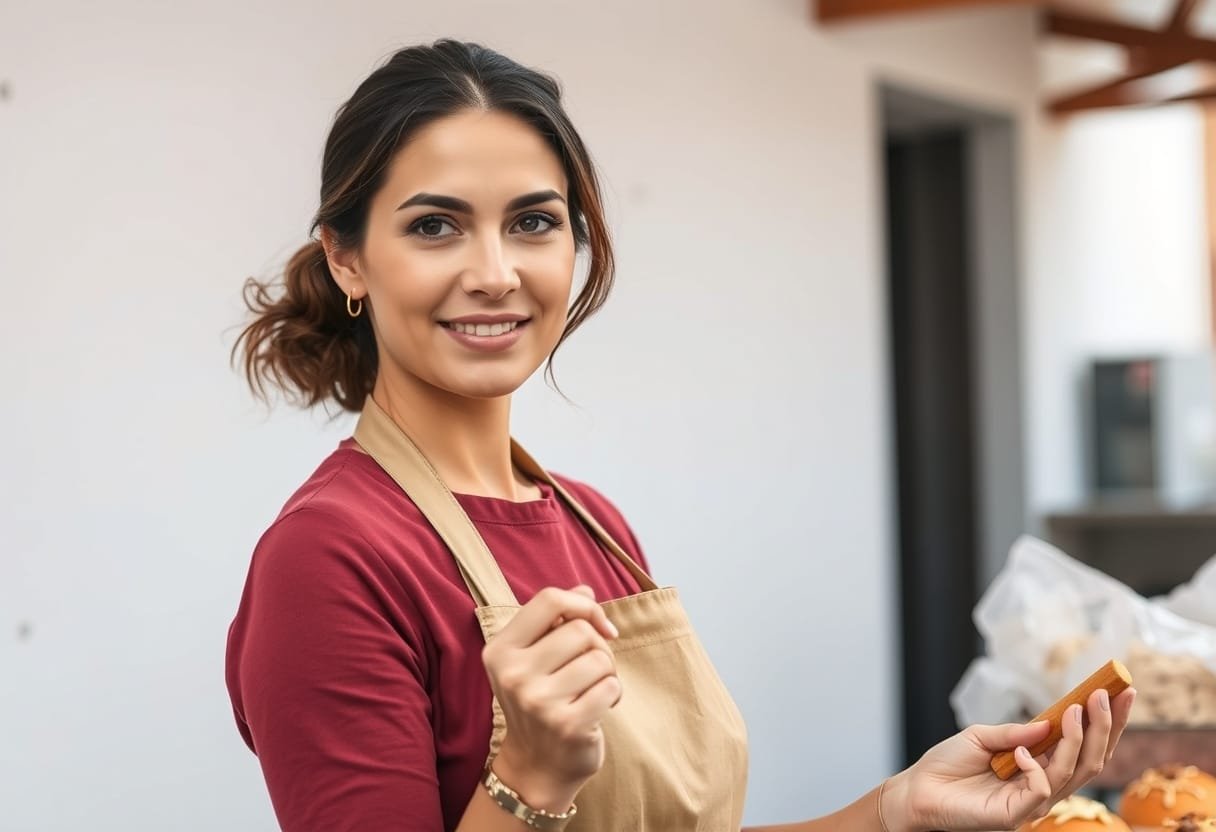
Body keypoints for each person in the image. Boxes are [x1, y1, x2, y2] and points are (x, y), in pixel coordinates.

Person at [225, 39, 1136, 832]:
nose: (496, 273)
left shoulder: (592, 523)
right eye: (435, 226)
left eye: (534, 222)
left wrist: (896, 810)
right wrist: (531, 778)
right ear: (348, 257)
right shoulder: (331, 558)